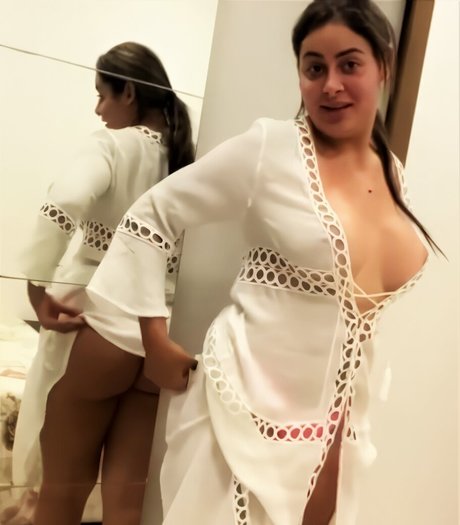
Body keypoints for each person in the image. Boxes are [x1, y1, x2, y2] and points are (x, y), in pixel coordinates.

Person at [57, 0, 441, 523]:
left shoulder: (394, 173)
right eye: (314, 68)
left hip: (337, 429)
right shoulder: (272, 148)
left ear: (384, 68)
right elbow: (152, 216)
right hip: (242, 411)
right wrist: (153, 337)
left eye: (349, 64)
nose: (330, 84)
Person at [11, 42, 194, 525]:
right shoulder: (188, 158)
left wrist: (36, 287)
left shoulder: (113, 146)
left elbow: (64, 202)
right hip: (159, 337)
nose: (98, 109)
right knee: (127, 507)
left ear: (128, 92)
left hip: (100, 329)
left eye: (102, 94)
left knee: (60, 496)